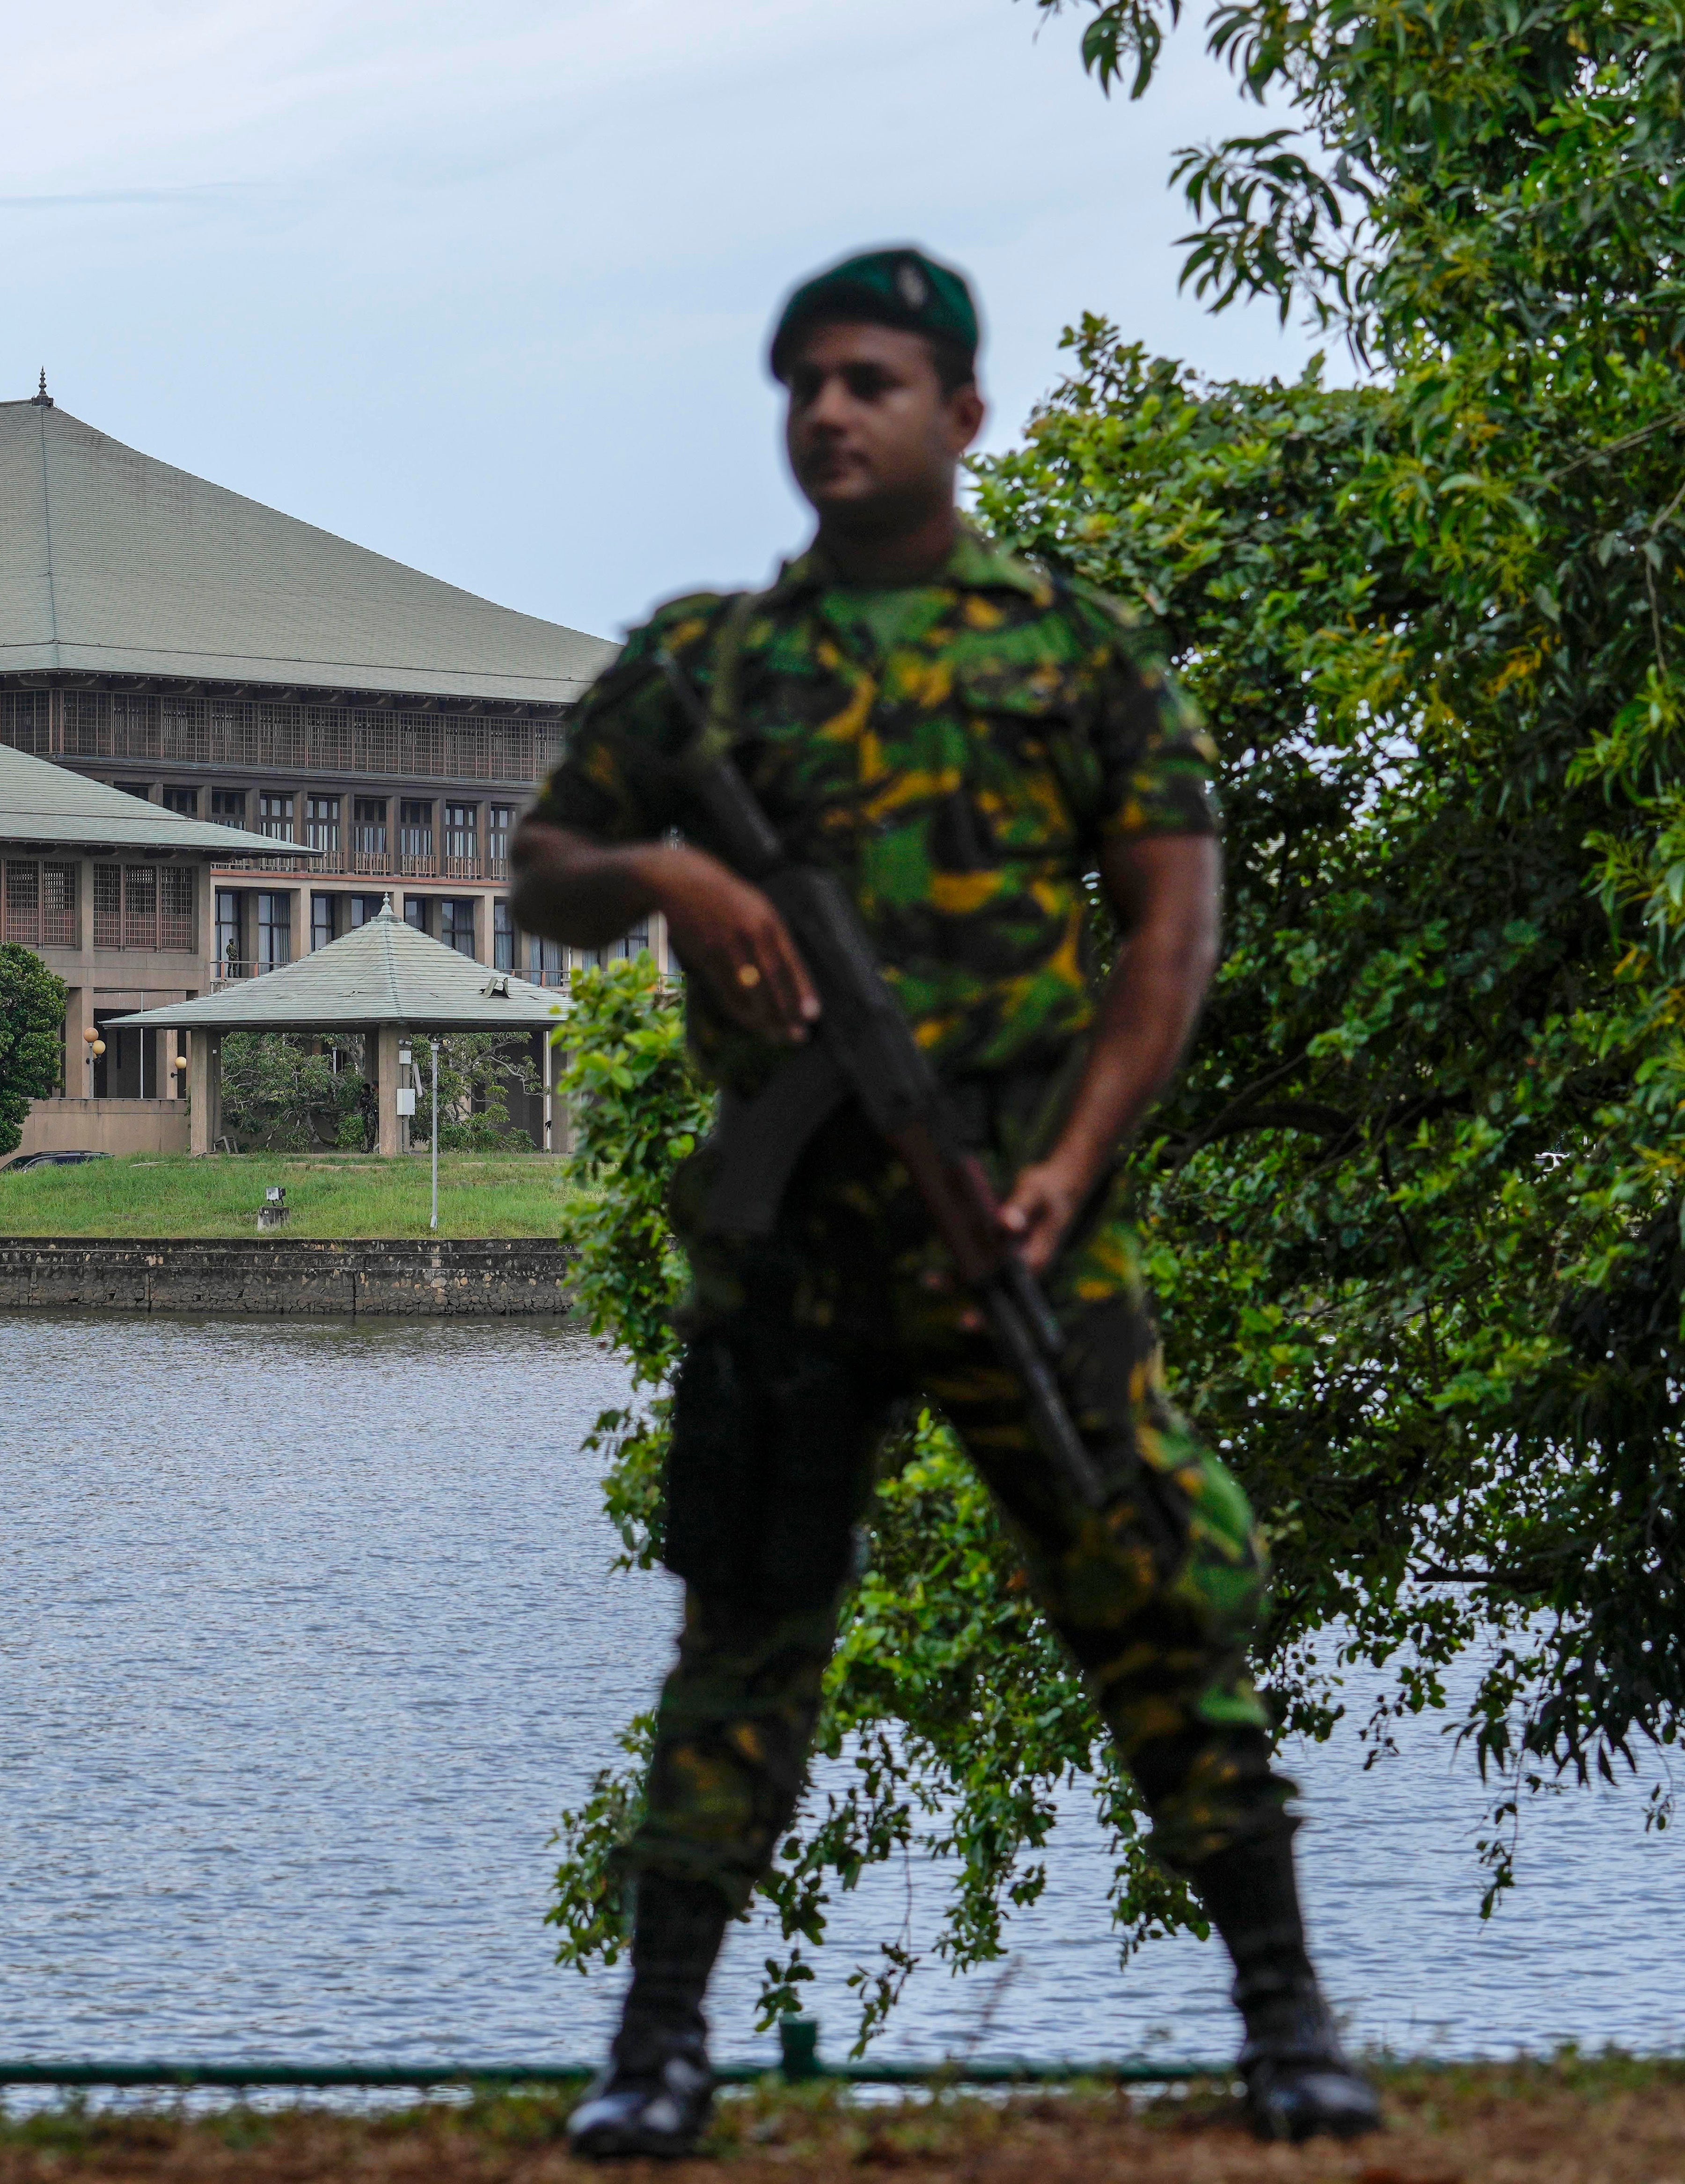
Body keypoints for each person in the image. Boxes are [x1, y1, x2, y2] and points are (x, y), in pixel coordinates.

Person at [509, 246, 1382, 2157]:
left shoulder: (1075, 657)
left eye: (873, 381)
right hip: (791, 1243)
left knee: (1152, 1592)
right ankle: (653, 2050)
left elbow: (1170, 937)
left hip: (1017, 1217)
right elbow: (545, 865)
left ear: (959, 416)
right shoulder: (710, 666)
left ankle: (1285, 2018)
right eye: (806, 382)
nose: (830, 410)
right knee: (745, 1632)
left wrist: (1073, 1168)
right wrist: (679, 876)